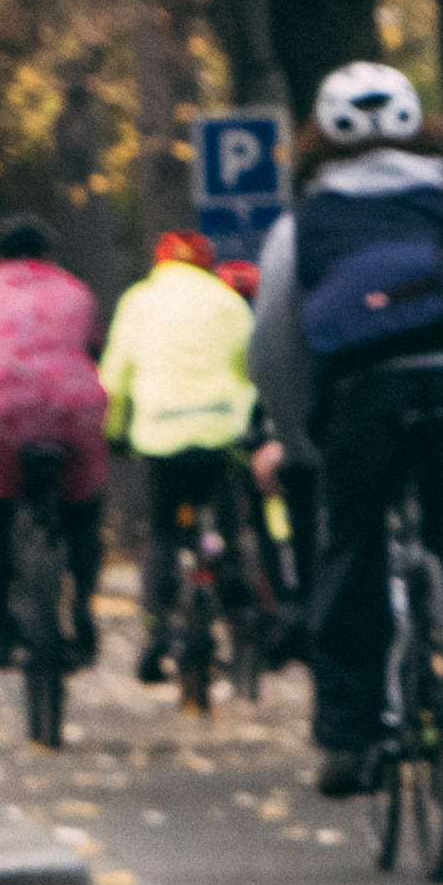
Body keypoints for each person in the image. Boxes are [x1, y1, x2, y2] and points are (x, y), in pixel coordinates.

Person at [246, 62, 443, 795]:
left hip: (364, 396)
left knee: (353, 546)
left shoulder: (301, 228)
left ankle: (349, 735)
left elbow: (273, 342)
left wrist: (301, 438)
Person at [0, 218, 112, 677]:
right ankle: (81, 604)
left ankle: (1, 630)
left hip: (1, 417)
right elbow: (93, 349)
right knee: (82, 513)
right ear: (48, 255)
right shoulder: (76, 291)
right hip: (71, 414)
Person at [101, 226, 266, 681]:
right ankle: (233, 586)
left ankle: (155, 632)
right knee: (227, 518)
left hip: (160, 433)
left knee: (162, 533)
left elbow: (115, 376)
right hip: (219, 431)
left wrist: (113, 432)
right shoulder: (227, 302)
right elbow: (252, 367)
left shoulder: (139, 301)